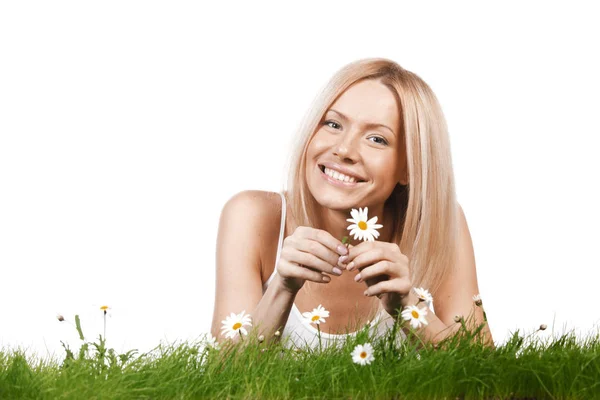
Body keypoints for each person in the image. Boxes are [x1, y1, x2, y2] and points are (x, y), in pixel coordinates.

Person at [210, 58, 493, 350]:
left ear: (410, 167)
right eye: (333, 124)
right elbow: (222, 381)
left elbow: (486, 376)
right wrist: (281, 288)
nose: (343, 149)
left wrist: (407, 306)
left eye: (377, 139)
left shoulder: (434, 223)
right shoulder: (252, 216)